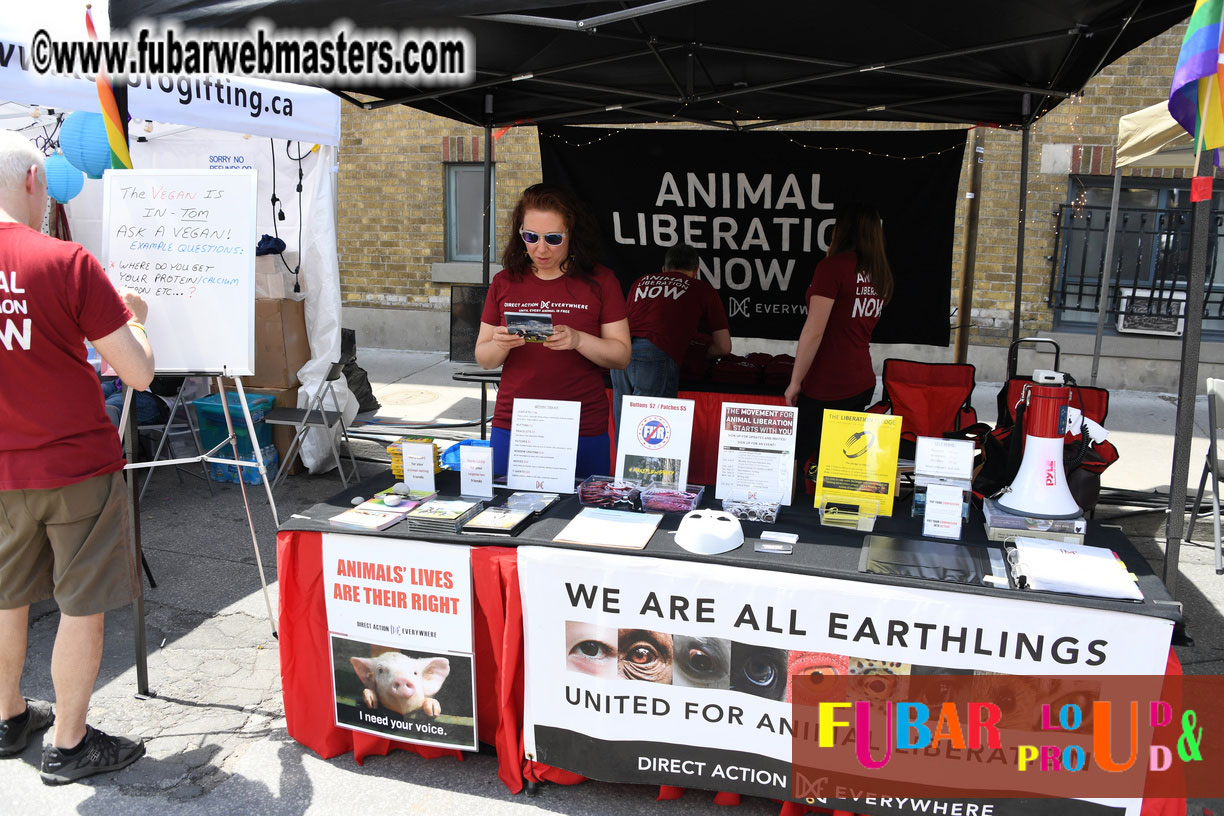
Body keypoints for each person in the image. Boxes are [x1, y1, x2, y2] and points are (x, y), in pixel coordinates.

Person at [0, 130, 154, 784]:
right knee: (80, 603)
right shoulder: (66, 261)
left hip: (3, 470)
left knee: (6, 597)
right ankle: (68, 743)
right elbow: (138, 372)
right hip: (75, 468)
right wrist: (136, 316)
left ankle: (8, 718)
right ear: (33, 180)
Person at [475, 183, 630, 478]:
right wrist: (500, 343)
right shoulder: (505, 281)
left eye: (554, 238)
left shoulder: (601, 281)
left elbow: (621, 356)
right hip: (516, 423)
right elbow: (484, 359)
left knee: (581, 504)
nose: (541, 248)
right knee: (506, 502)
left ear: (572, 234)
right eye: (531, 237)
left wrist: (579, 339)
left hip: (582, 425)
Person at [784, 201, 893, 486]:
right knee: (841, 463)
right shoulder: (879, 272)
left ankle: (800, 509)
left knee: (799, 459)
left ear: (842, 230)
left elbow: (814, 332)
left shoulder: (833, 268)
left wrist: (795, 382)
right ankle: (836, 507)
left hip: (828, 381)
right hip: (861, 377)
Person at [610, 244, 731, 432]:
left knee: (626, 428)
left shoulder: (641, 282)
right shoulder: (702, 288)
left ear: (664, 269)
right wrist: (695, 353)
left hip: (620, 353)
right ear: (696, 271)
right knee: (651, 434)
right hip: (655, 353)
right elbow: (723, 346)